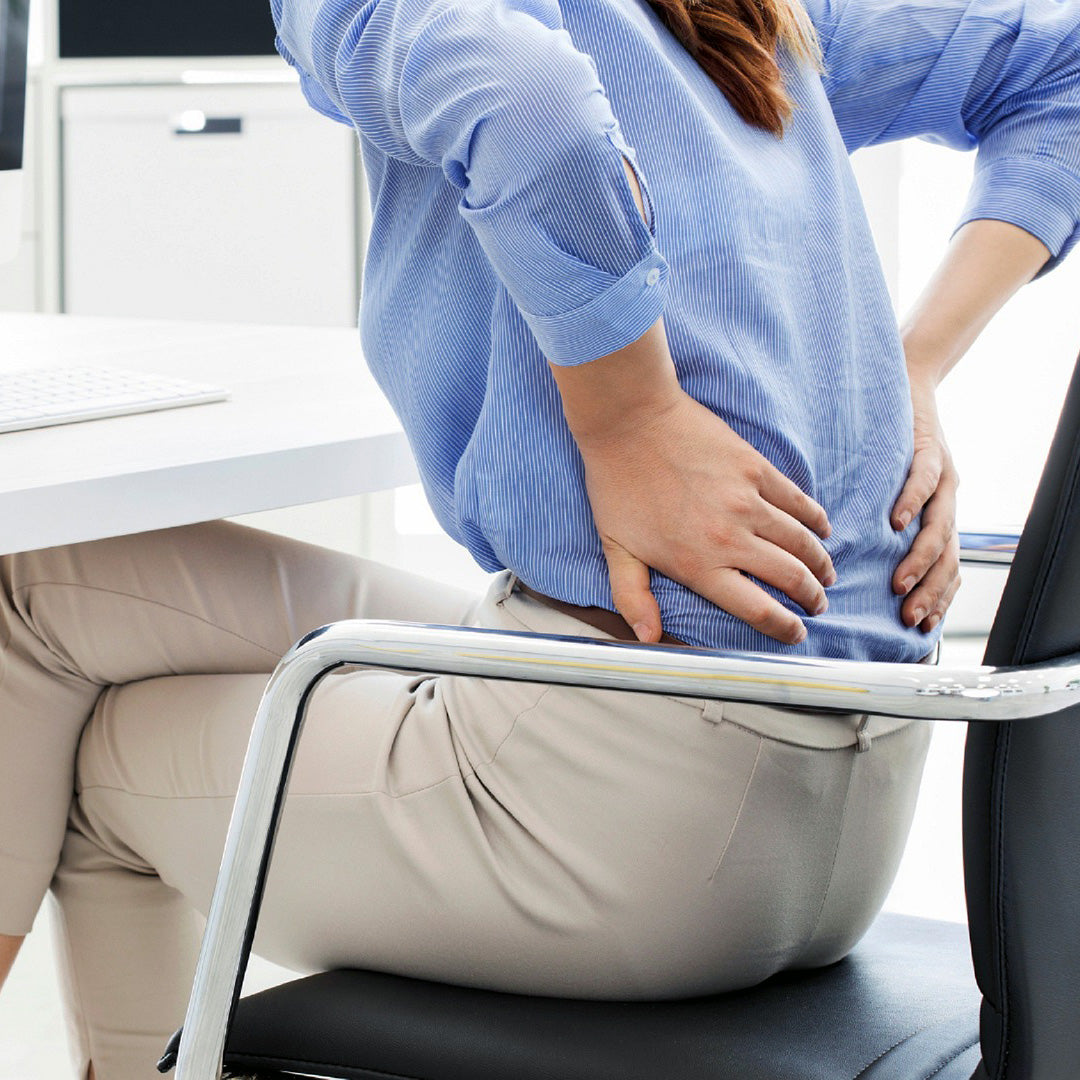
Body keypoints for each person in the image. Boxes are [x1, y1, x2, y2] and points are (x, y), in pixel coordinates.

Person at [2, 0, 1078, 1076]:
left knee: (96, 763)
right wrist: (915, 368)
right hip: (852, 793)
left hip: (637, 818)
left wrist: (632, 414)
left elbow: (525, 96)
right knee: (35, 590)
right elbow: (1063, 65)